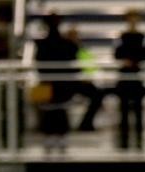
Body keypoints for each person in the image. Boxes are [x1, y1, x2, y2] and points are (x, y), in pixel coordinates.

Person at [35, 12, 105, 142]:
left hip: (67, 84)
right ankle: (51, 128)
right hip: (54, 86)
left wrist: (77, 45)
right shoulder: (53, 44)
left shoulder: (68, 44)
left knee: (97, 93)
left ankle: (85, 124)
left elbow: (85, 65)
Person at [114, 9, 145, 149]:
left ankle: (139, 141)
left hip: (137, 75)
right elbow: (117, 54)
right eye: (130, 18)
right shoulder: (122, 36)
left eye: (135, 18)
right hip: (124, 76)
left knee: (138, 110)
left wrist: (134, 59)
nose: (133, 21)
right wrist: (128, 59)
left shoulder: (143, 36)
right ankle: (123, 141)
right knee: (123, 111)